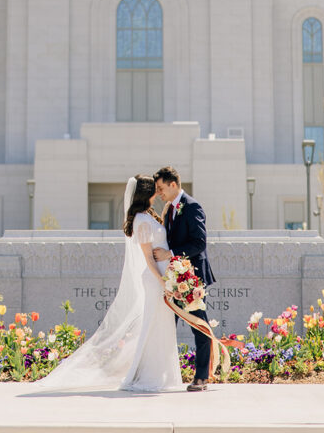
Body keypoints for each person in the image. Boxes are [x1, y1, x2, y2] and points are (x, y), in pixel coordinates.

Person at [24, 174, 183, 393]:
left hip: (163, 277)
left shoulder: (148, 216)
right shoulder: (141, 221)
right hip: (156, 280)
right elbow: (148, 257)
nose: (158, 191)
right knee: (154, 327)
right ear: (146, 193)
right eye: (155, 189)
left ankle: (162, 375)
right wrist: (163, 281)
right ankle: (149, 376)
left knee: (161, 327)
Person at [153, 165, 215, 392]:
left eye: (161, 188)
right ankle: (162, 374)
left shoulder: (191, 206)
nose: (159, 193)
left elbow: (199, 243)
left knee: (199, 325)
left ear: (173, 184)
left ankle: (201, 377)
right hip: (175, 278)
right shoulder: (169, 208)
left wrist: (171, 254)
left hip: (192, 278)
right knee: (167, 325)